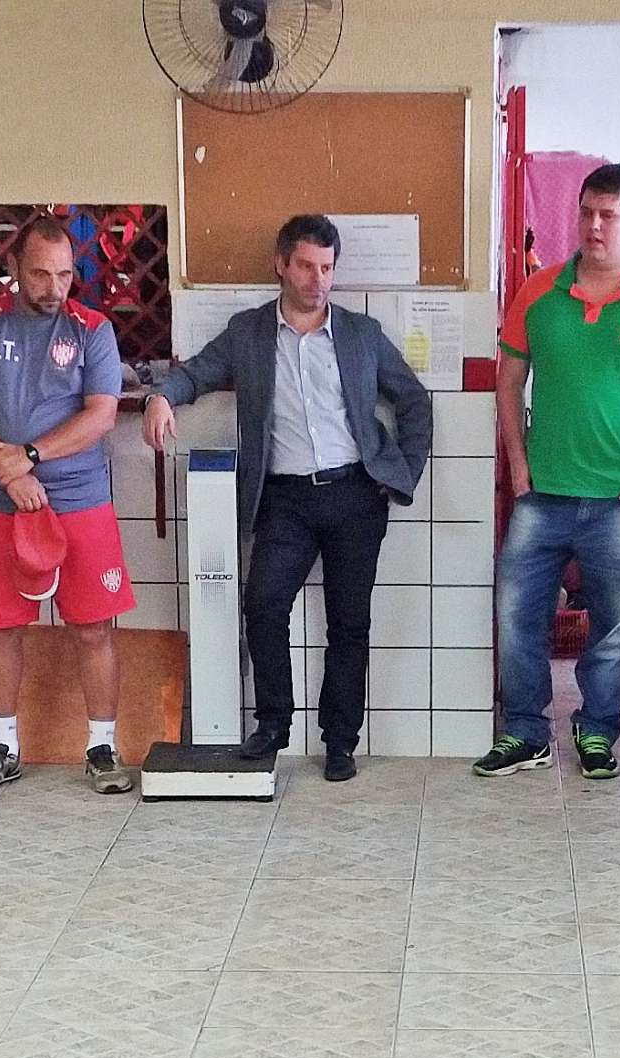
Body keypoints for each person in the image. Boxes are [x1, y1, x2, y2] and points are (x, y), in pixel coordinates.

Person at [144, 213, 433, 781]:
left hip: (355, 494)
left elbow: (414, 402)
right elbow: (196, 374)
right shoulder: (249, 333)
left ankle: (340, 742)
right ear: (281, 265)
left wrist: (398, 475)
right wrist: (161, 398)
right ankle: (273, 723)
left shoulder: (361, 335)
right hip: (285, 500)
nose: (317, 280)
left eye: (326, 268)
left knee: (350, 624)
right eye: (305, 265)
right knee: (264, 605)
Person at [476, 163, 620, 782]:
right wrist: (517, 464)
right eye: (585, 213)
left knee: (613, 625)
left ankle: (598, 729)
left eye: (608, 215)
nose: (594, 226)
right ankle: (525, 731)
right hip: (541, 493)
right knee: (517, 615)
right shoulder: (540, 290)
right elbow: (508, 379)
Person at [0, 216, 136, 795]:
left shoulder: (92, 328)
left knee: (93, 629)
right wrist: (8, 475)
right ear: (13, 269)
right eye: (40, 274)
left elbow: (101, 414)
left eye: (63, 274)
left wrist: (28, 455)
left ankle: (102, 748)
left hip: (81, 500)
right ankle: (3, 744)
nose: (54, 287)